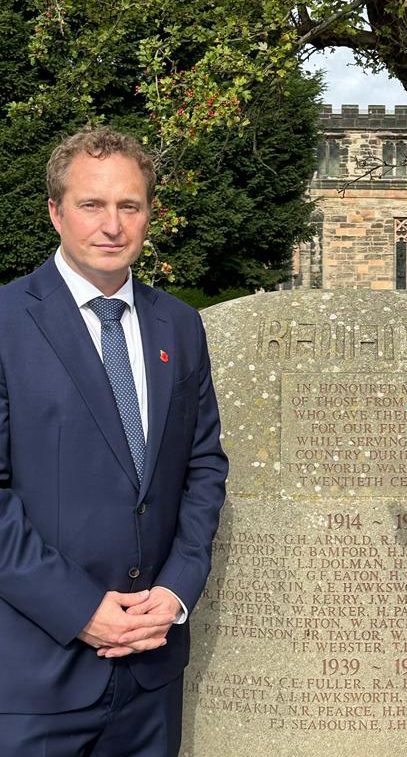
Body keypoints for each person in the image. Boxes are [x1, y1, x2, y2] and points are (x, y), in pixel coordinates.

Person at [0, 127, 228, 755]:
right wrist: (80, 609)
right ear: (55, 212)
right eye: (91, 205)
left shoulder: (179, 325)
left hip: (151, 676)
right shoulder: (6, 323)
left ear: (149, 214)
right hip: (34, 679)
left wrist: (178, 588)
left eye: (129, 206)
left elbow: (203, 466)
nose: (112, 225)